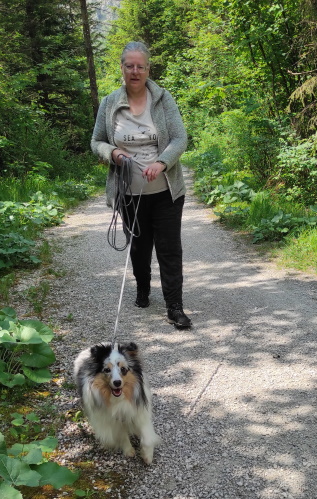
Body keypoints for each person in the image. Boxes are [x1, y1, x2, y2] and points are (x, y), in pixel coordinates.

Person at [90, 41, 191, 330]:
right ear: (122, 68)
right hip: (129, 194)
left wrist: (162, 163)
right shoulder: (110, 103)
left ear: (148, 69)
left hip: (166, 191)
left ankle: (174, 306)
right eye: (129, 66)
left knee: (169, 249)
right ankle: (143, 288)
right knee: (139, 247)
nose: (135, 71)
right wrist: (113, 153)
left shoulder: (163, 99)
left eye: (140, 66)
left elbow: (180, 138)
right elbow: (97, 141)